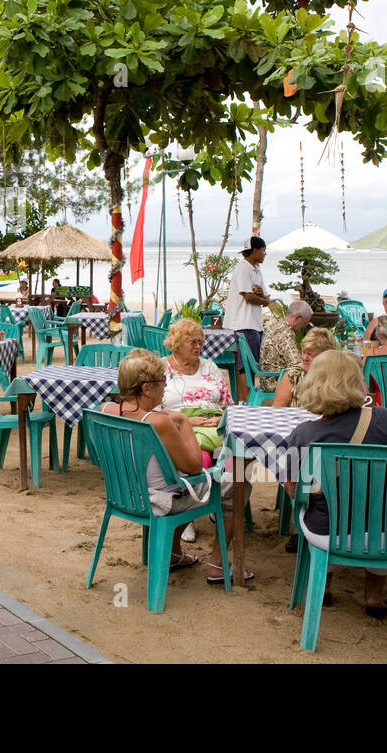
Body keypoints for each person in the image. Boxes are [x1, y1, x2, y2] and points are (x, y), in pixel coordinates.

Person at [284, 350, 387, 618]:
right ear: (357, 383)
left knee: (316, 509)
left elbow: (293, 490)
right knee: (382, 511)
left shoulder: (303, 434)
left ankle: (323, 587)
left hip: (329, 533)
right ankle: (374, 595)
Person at [100, 348, 205, 572]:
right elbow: (196, 467)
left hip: (125, 495)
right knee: (231, 486)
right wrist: (185, 422)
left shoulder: (105, 409)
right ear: (147, 388)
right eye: (162, 381)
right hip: (158, 500)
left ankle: (174, 552)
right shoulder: (158, 423)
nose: (165, 386)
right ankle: (218, 564)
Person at [159, 318, 233, 544]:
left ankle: (220, 503)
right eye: (192, 342)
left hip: (213, 423)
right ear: (177, 342)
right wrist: (189, 422)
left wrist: (220, 418)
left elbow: (227, 402)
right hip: (178, 425)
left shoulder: (209, 366)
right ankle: (188, 515)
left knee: (236, 463)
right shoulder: (162, 367)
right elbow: (153, 410)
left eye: (201, 342)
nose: (198, 347)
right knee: (197, 457)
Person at [223, 236, 270, 377]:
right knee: (246, 367)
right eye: (263, 250)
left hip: (254, 324)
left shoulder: (256, 271)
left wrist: (262, 297)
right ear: (255, 251)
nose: (264, 254)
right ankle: (245, 399)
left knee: (249, 365)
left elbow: (266, 296)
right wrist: (264, 300)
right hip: (244, 324)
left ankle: (244, 399)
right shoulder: (243, 268)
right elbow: (249, 297)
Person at [272, 326, 339, 409]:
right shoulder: (294, 375)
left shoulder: (337, 375)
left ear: (325, 355)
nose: (304, 358)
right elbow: (277, 409)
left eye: (310, 354)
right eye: (304, 352)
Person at [260, 300, 312, 392]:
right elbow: (296, 364)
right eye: (305, 323)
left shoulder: (275, 326)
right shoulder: (286, 334)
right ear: (297, 318)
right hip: (276, 382)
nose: (304, 327)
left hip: (266, 379)